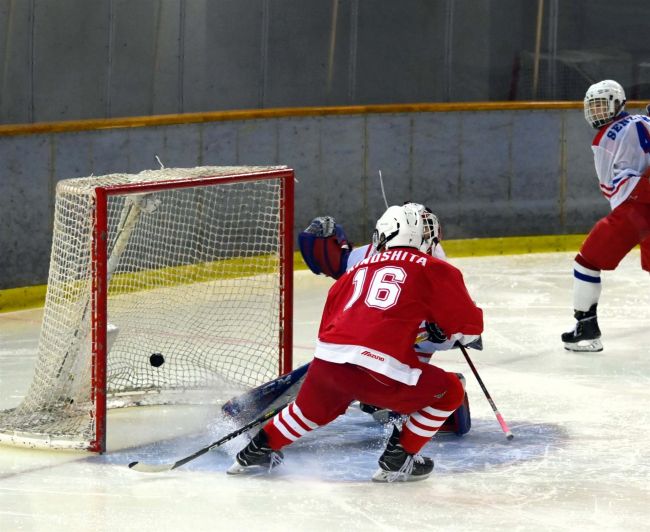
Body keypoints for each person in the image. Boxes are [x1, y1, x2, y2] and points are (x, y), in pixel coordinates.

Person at [227, 203, 484, 482]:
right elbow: (469, 326)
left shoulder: (355, 268)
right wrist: (448, 333)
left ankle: (254, 452)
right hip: (380, 370)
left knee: (310, 411)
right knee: (451, 390)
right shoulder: (436, 267)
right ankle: (400, 458)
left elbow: (331, 318)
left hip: (328, 361)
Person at [562, 80, 650, 352]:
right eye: (593, 106)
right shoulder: (645, 119)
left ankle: (586, 330)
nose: (596, 111)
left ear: (617, 103)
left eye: (601, 105)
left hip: (634, 207)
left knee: (586, 262)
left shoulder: (604, 139)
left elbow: (609, 187)